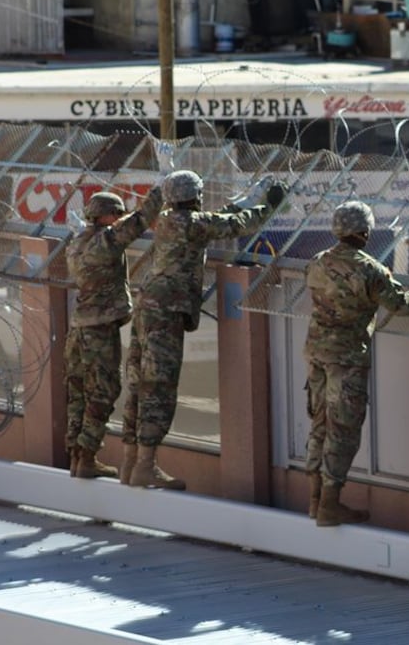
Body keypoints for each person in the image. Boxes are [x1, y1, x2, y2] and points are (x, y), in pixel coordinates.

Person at [121, 170, 288, 489]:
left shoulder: (170, 218)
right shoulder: (192, 223)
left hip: (148, 306)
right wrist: (269, 205)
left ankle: (131, 463)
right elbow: (237, 225)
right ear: (195, 196)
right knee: (159, 386)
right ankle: (145, 466)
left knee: (139, 383)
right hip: (166, 312)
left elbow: (217, 218)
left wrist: (245, 202)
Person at [304, 200, 409, 526]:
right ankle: (330, 505)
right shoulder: (370, 270)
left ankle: (314, 500)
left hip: (316, 354)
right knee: (343, 429)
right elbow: (403, 306)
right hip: (347, 360)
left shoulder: (317, 262)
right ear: (364, 232)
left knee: (320, 424)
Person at [65, 188, 164, 479]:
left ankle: (76, 455)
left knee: (77, 393)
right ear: (106, 215)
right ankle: (87, 456)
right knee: (103, 391)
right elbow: (141, 219)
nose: (119, 218)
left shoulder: (77, 241)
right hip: (99, 328)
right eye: (116, 214)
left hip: (78, 328)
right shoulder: (104, 240)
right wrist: (161, 187)